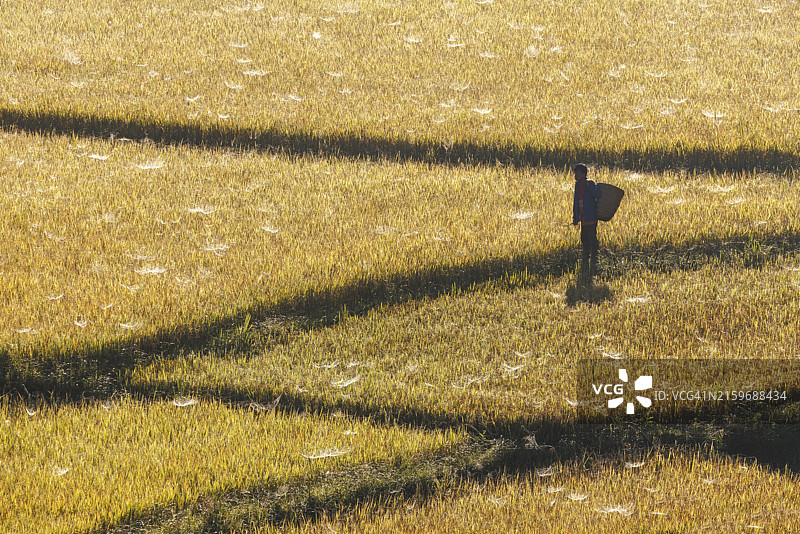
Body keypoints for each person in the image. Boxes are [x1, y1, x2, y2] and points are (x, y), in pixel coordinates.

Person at [572, 163, 601, 286]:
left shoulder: (590, 184)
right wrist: (575, 216)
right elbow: (576, 202)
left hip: (591, 216)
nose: (575, 176)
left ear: (583, 174)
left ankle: (594, 256)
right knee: (584, 238)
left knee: (591, 236)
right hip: (583, 218)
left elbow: (598, 195)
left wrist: (590, 187)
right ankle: (586, 255)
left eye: (577, 173)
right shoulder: (578, 185)